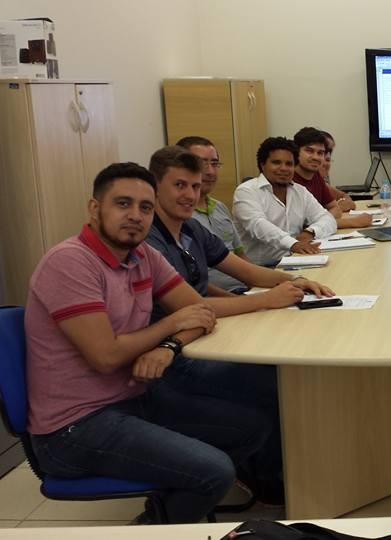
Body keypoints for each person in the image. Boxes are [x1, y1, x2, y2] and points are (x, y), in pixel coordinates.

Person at [25, 162, 271, 523]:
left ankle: (172, 503)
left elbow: (199, 312)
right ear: (95, 208)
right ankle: (154, 525)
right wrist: (171, 324)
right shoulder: (69, 263)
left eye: (145, 207)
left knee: (253, 426)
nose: (135, 216)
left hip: (135, 398)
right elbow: (106, 356)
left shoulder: (143, 256)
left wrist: (167, 346)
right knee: (214, 470)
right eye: (123, 204)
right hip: (74, 427)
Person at [145, 145, 334, 503]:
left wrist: (291, 281)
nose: (190, 195)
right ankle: (267, 477)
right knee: (274, 380)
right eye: (179, 185)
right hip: (176, 355)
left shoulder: (191, 228)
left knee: (279, 362)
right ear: (155, 188)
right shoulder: (150, 240)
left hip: (208, 335)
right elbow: (191, 306)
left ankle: (283, 462)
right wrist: (267, 299)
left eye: (195, 186)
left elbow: (245, 271)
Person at [233, 136, 337, 266]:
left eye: (289, 164)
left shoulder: (300, 191)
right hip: (259, 268)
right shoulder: (246, 191)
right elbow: (258, 225)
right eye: (276, 162)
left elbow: (328, 219)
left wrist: (310, 232)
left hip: (295, 260)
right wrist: (293, 244)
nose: (284, 168)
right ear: (262, 164)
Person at [176, 135, 249, 294]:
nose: (210, 171)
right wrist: (245, 301)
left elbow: (241, 256)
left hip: (244, 290)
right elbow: (194, 284)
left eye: (214, 164)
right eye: (201, 163)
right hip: (219, 299)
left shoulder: (220, 207)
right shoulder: (179, 217)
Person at [292, 127, 372, 229]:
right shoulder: (289, 179)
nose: (315, 157)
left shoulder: (315, 175)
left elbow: (335, 209)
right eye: (309, 151)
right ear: (296, 152)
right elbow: (304, 226)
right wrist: (354, 222)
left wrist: (322, 221)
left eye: (320, 153)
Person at [317, 130, 357, 211]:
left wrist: (341, 203)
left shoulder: (320, 180)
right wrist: (338, 207)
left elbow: (344, 196)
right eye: (325, 151)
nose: (328, 155)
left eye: (330, 151)